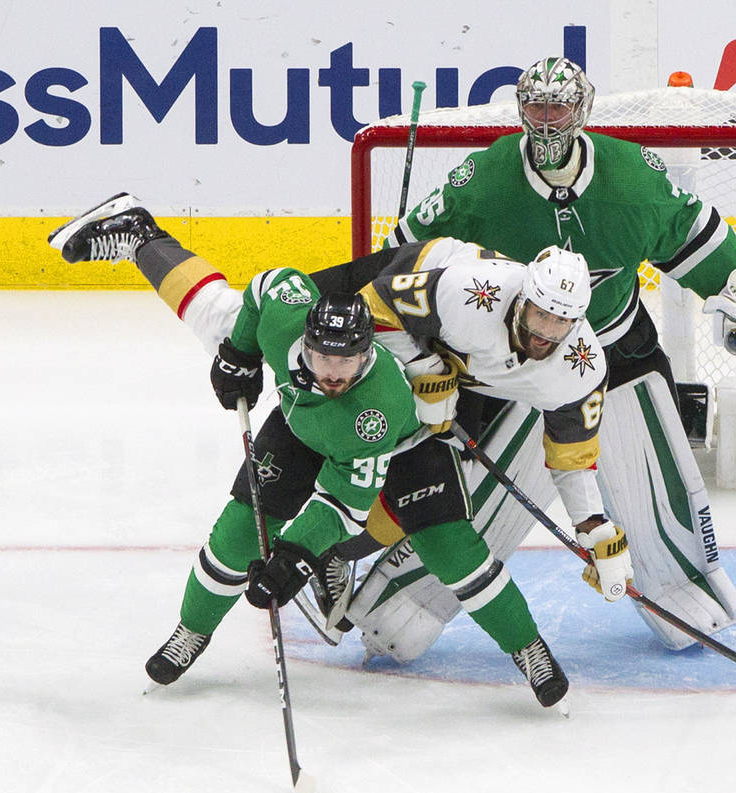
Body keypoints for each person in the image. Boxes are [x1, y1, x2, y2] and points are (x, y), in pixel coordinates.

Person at [47, 193, 626, 711]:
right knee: (227, 323)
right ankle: (142, 233)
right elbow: (367, 305)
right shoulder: (465, 290)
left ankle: (504, 637)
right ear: (520, 296)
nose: (547, 333)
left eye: (562, 323)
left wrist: (595, 527)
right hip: (391, 308)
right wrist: (420, 366)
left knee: (442, 532)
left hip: (404, 405)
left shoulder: (578, 368)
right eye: (539, 315)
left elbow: (572, 453)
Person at [364, 56, 736, 656]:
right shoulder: (482, 179)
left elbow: (694, 233)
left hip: (618, 352)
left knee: (654, 484)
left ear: (582, 109)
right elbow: (407, 258)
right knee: (472, 493)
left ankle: (682, 588)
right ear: (520, 108)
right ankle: (404, 598)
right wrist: (413, 344)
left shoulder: (630, 175)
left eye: (559, 107)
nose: (547, 121)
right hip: (513, 363)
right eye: (536, 107)